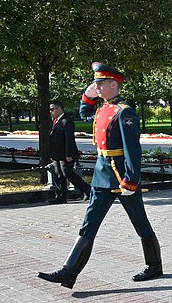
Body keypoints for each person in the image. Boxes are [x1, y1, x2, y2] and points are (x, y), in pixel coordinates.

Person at [38, 62, 162, 289]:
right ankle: (69, 271)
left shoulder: (124, 112)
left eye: (99, 83)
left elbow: (132, 150)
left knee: (140, 221)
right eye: (95, 83)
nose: (96, 87)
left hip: (121, 177)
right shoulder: (103, 108)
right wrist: (87, 95)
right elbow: (84, 113)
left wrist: (132, 179)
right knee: (89, 223)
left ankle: (154, 266)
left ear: (113, 84)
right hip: (102, 175)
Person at [47, 101, 91, 204]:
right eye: (50, 110)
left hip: (65, 154)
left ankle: (88, 190)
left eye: (52, 109)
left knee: (68, 174)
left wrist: (69, 154)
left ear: (59, 109)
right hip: (56, 154)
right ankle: (60, 197)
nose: (51, 112)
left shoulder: (66, 121)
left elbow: (69, 139)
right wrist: (52, 154)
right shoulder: (55, 121)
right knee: (58, 175)